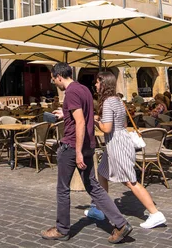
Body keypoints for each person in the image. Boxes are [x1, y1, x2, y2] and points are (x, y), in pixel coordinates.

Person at [41, 62, 132, 243]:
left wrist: (78, 151)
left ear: (59, 76)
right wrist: (64, 113)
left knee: (63, 189)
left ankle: (62, 229)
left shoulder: (71, 92)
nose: (54, 84)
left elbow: (81, 122)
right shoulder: (83, 89)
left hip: (73, 146)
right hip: (88, 144)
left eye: (53, 80)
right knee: (93, 187)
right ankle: (121, 223)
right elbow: (81, 115)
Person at [89, 71, 166, 229]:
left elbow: (107, 128)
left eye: (97, 82)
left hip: (117, 144)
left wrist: (95, 121)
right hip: (119, 140)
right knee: (102, 174)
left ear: (103, 83)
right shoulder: (118, 99)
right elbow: (123, 124)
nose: (95, 85)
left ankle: (155, 213)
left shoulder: (109, 102)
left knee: (130, 181)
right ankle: (101, 207)